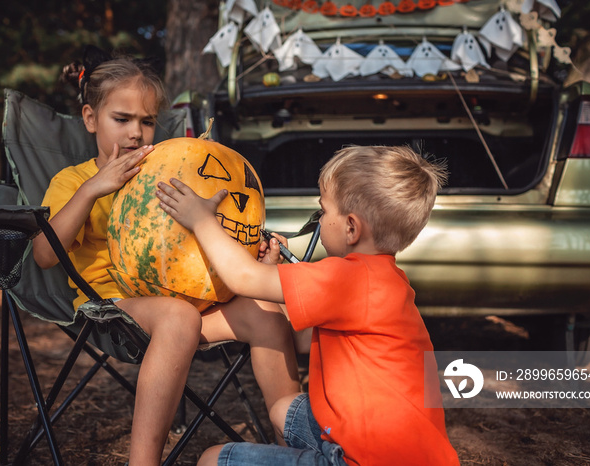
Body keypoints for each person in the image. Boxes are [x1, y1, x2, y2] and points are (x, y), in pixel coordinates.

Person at [32, 47, 300, 466]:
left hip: (191, 303)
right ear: (90, 119)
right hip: (111, 311)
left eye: (147, 121)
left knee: (265, 307)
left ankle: (296, 443)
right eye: (121, 119)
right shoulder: (75, 180)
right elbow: (45, 255)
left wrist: (255, 252)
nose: (136, 133)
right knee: (178, 317)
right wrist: (92, 191)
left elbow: (204, 240)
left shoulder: (172, 173)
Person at [157, 145, 460, 466]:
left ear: (352, 228)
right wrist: (274, 273)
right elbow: (303, 339)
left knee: (211, 460)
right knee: (283, 409)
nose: (320, 218)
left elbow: (243, 278)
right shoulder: (386, 281)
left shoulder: (347, 279)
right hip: (408, 452)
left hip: (361, 459)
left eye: (324, 211)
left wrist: (202, 220)